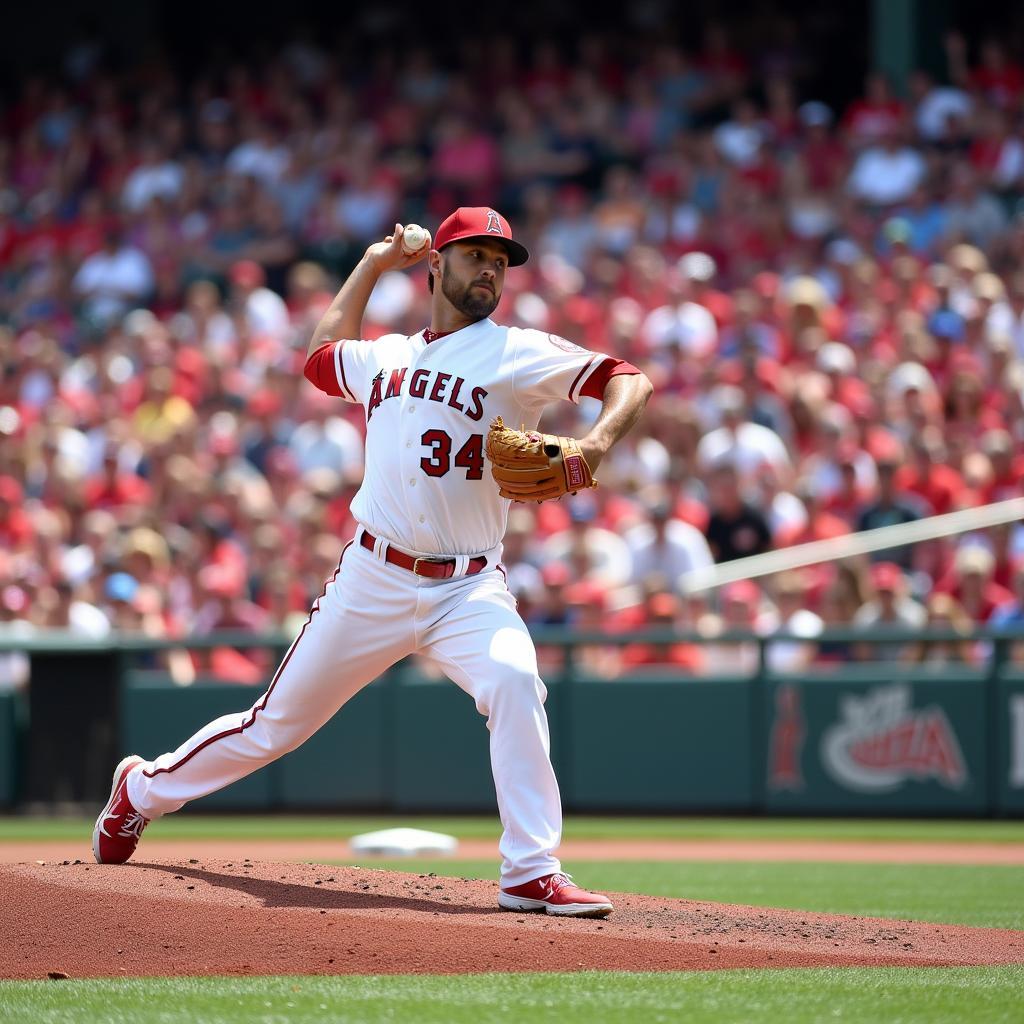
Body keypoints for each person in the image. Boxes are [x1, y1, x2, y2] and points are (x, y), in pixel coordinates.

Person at [93, 207, 653, 919]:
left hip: (469, 585)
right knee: (274, 727)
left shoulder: (516, 351)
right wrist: (370, 261)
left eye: (501, 260)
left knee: (515, 681)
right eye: (475, 254)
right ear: (436, 267)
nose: (490, 269)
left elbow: (627, 378)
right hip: (372, 576)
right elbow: (321, 356)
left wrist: (597, 445)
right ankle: (141, 790)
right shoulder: (386, 355)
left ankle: (531, 871)